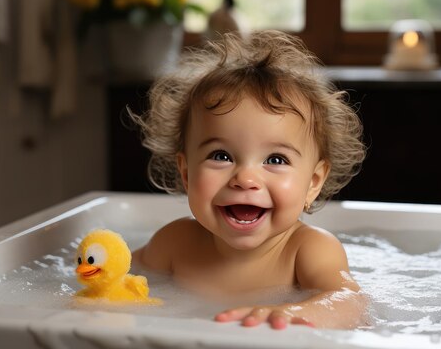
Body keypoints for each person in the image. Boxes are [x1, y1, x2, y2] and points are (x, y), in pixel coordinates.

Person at [131, 30, 367, 330]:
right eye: (221, 156)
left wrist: (300, 311)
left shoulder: (307, 250)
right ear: (187, 173)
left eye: (276, 160)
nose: (245, 178)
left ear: (313, 183)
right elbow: (114, 274)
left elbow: (350, 301)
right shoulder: (174, 244)